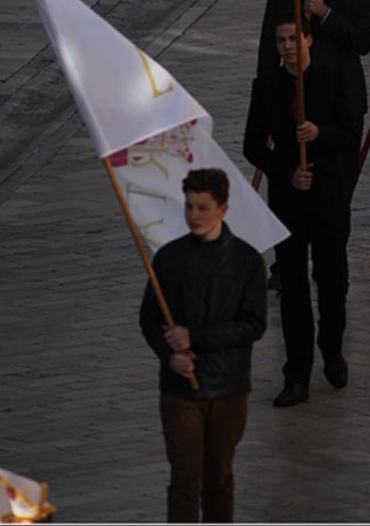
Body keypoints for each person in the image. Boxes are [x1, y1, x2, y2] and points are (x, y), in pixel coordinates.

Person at [244, 16, 361, 407]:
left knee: (332, 281)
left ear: (309, 39)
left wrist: (319, 134)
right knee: (293, 288)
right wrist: (287, 172)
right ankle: (296, 375)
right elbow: (253, 146)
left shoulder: (332, 78)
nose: (288, 46)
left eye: (294, 38)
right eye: (281, 40)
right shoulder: (267, 87)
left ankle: (332, 347)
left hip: (329, 197)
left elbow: (349, 135)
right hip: (289, 200)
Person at [139, 168, 266, 524]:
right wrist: (169, 355)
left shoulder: (246, 261)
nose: (194, 216)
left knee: (219, 478)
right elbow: (150, 318)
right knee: (184, 479)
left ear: (223, 209)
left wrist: (194, 338)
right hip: (180, 390)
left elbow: (254, 325)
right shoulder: (169, 258)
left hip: (228, 388)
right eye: (189, 207)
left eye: (203, 208)